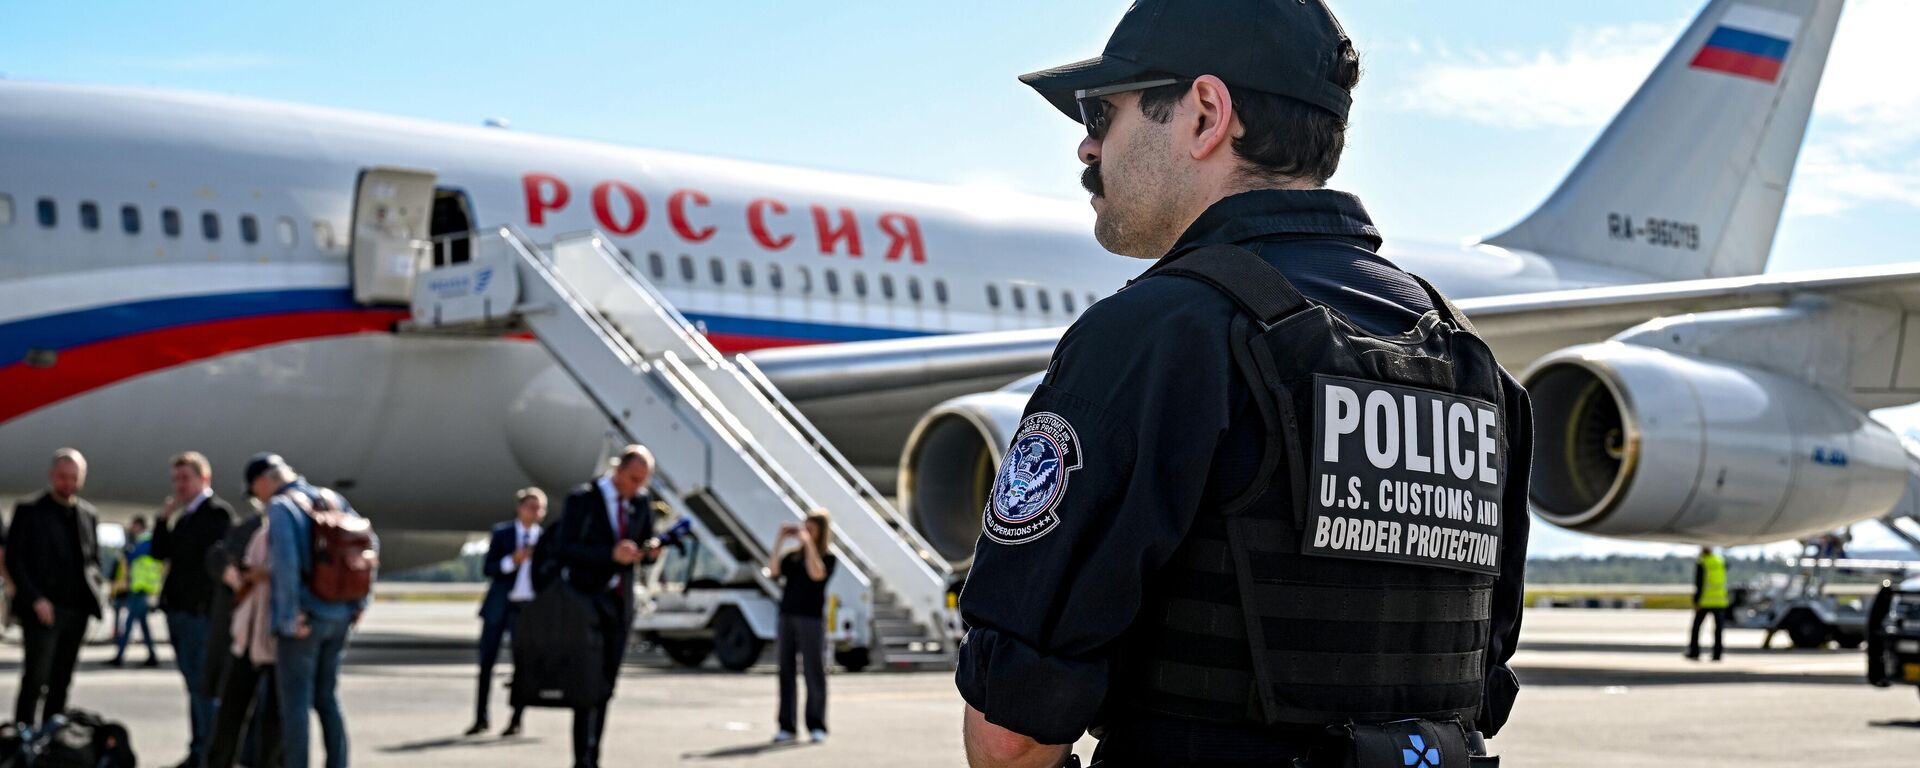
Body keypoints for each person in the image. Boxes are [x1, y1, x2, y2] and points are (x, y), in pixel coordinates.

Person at [957, 3, 1532, 764]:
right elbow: (1477, 685)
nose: (1087, 146)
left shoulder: (1156, 336)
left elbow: (1013, 736)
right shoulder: (1471, 365)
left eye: (1102, 113)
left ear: (1205, 113)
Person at [256, 453, 369, 768]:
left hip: (305, 619)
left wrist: (289, 619)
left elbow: (286, 567)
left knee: (295, 705)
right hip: (339, 616)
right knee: (327, 697)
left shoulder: (282, 507)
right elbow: (367, 545)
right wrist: (359, 603)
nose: (257, 498)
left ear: (264, 480)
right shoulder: (332, 499)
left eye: (255, 490)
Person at [552, 446, 660, 768]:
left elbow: (644, 541)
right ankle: (581, 759)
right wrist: (609, 555)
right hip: (586, 600)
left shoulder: (640, 503)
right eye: (633, 479)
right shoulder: (583, 499)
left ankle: (594, 756)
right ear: (618, 471)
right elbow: (564, 549)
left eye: (643, 481)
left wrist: (650, 551)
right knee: (586, 683)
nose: (637, 487)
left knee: (606, 686)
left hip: (619, 604)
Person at [151, 450, 238, 767]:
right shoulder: (186, 516)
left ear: (204, 479)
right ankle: (199, 748)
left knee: (205, 688)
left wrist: (206, 607)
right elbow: (161, 553)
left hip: (201, 615)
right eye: (176, 479)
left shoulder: (217, 514)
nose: (179, 485)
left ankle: (210, 754)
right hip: (180, 612)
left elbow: (214, 566)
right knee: (193, 686)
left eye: (186, 478)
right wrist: (163, 519)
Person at [8, 448, 106, 727]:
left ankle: (53, 735)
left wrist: (95, 594)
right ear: (52, 475)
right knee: (36, 679)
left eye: (75, 478)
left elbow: (92, 560)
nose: (69, 483)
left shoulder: (87, 514)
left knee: (62, 680)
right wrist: (35, 598)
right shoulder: (30, 511)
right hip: (43, 612)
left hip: (76, 611)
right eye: (63, 477)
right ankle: (24, 734)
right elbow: (15, 560)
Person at [205, 481, 280, 768]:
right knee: (235, 710)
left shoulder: (286, 529)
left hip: (272, 636)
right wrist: (234, 575)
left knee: (269, 716)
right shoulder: (252, 529)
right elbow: (217, 556)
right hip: (250, 635)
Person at [466, 487, 546, 737]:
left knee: (523, 666)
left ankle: (516, 719)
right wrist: (512, 560)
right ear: (520, 508)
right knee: (486, 663)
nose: (535, 512)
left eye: (540, 508)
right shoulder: (503, 533)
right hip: (499, 607)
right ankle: (481, 718)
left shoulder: (544, 539)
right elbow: (488, 568)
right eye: (531, 507)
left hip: (526, 609)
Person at [769, 509, 837, 745]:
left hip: (811, 619)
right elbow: (773, 570)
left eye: (811, 528)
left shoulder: (828, 558)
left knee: (813, 671)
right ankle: (786, 726)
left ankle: (816, 725)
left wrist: (808, 545)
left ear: (821, 531)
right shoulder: (791, 557)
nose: (805, 531)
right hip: (787, 615)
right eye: (804, 526)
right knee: (785, 671)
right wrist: (779, 539)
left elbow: (816, 574)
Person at [110, 516, 163, 668]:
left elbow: (130, 556)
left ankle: (119, 656)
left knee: (128, 623)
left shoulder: (145, 540)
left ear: (139, 525)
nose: (131, 529)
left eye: (133, 526)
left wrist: (129, 546)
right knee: (143, 624)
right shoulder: (144, 541)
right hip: (139, 587)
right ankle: (152, 656)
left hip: (141, 588)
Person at [1689, 546, 1730, 661]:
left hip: (1705, 601)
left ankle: (1694, 652)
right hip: (1720, 600)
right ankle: (1717, 654)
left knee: (1696, 627)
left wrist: (1696, 601)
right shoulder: (1720, 561)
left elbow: (1700, 583)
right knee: (1718, 629)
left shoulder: (1703, 562)